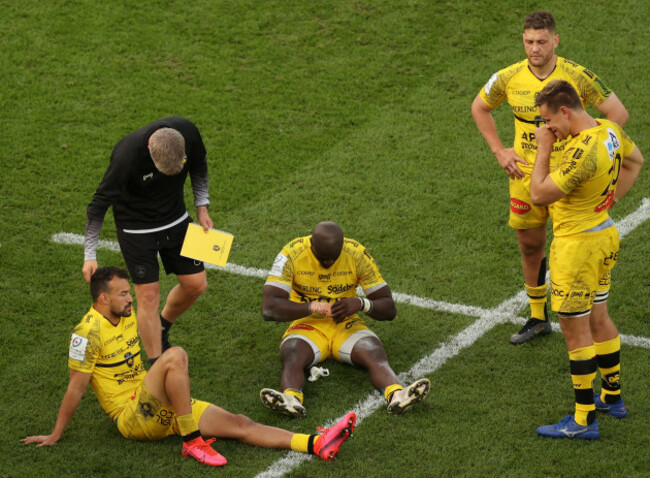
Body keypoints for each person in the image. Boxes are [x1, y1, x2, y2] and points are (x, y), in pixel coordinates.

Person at [21, 267, 357, 465]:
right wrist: (56, 433)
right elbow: (76, 386)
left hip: (159, 402)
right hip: (133, 417)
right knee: (175, 355)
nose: (130, 299)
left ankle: (314, 443)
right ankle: (191, 438)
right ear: (103, 298)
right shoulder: (86, 332)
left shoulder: (122, 317)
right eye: (123, 294)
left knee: (240, 423)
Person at [471, 11, 629, 345]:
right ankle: (538, 317)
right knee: (530, 246)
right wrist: (500, 151)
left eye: (542, 41)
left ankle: (585, 312)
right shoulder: (508, 77)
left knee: (572, 244)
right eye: (529, 41)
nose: (535, 48)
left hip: (566, 178)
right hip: (524, 176)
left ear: (555, 40)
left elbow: (617, 113)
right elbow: (479, 107)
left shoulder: (577, 76)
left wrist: (587, 149)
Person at [529, 80, 643, 439]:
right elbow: (635, 160)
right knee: (599, 317)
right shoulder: (608, 129)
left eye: (548, 121)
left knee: (574, 330)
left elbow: (537, 193)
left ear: (565, 111)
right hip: (604, 235)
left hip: (576, 249)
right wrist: (608, 201)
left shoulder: (581, 153)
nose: (546, 128)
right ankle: (613, 397)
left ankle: (583, 420)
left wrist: (543, 149)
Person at [260, 221, 430, 417]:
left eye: (333, 258)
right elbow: (269, 308)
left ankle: (397, 394)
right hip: (309, 323)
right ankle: (291, 399)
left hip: (346, 324)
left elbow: (389, 308)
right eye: (323, 259)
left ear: (342, 248)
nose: (328, 264)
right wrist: (312, 307)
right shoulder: (291, 254)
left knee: (374, 353)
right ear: (311, 245)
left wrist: (360, 304)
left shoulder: (357, 254)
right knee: (292, 354)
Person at [82, 117, 213, 364]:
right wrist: (90, 254)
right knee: (148, 296)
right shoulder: (126, 156)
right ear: (151, 156)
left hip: (176, 219)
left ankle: (162, 327)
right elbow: (98, 206)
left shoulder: (189, 132)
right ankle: (158, 364)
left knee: (196, 284)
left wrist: (202, 207)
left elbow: (199, 166)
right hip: (136, 228)